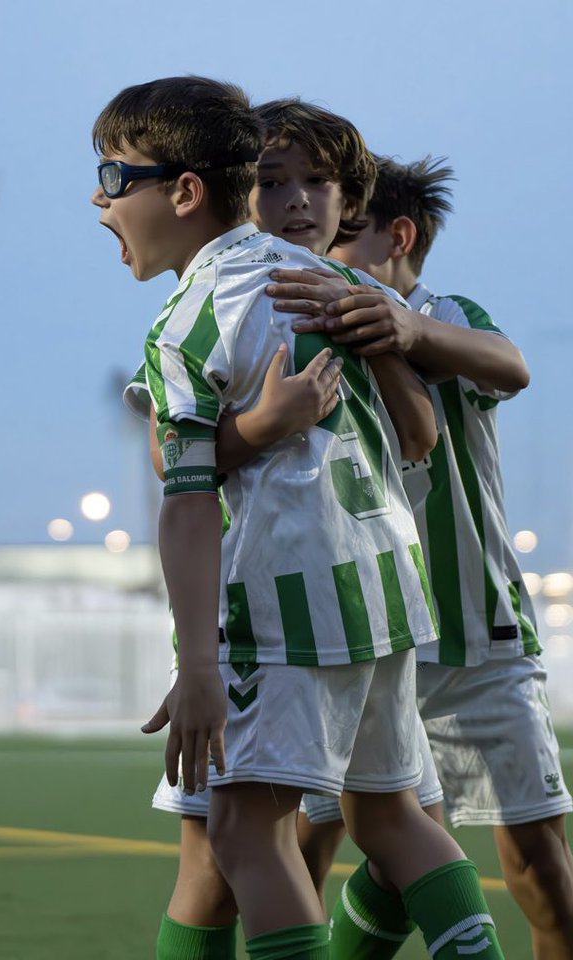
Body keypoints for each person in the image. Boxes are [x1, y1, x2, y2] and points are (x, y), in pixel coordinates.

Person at [93, 76, 502, 959]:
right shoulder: (328, 278)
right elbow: (417, 438)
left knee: (241, 839)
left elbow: (186, 490)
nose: (99, 201)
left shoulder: (190, 318)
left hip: (281, 606)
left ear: (185, 191)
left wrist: (197, 662)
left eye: (114, 178)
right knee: (390, 818)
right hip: (386, 593)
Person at [268, 154, 572, 958]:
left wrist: (406, 328)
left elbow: (513, 365)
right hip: (364, 638)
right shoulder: (302, 321)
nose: (326, 251)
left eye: (348, 233)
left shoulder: (447, 316)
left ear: (396, 236)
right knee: (306, 850)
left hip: (480, 645)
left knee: (541, 872)